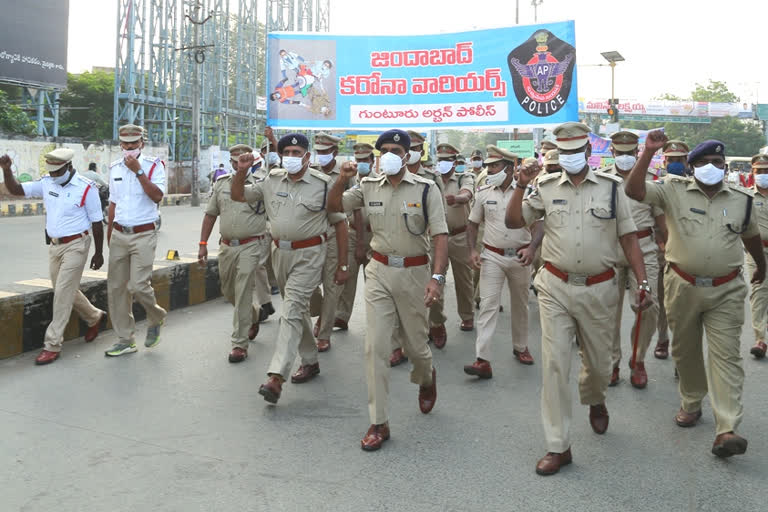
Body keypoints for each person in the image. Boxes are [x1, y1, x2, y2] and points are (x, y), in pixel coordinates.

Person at [505, 121, 650, 476]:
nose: (569, 158)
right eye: (563, 153)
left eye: (575, 152)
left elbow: (630, 239)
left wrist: (643, 282)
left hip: (601, 288)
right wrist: (521, 184)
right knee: (555, 366)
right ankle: (558, 445)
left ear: (588, 152)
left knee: (600, 367)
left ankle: (595, 398)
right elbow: (513, 222)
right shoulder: (543, 186)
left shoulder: (613, 189)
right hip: (554, 286)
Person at [625, 133, 766, 459]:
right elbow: (634, 190)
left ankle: (726, 427)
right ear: (691, 168)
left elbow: (752, 238)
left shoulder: (742, 200)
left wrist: (762, 266)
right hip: (682, 285)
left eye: (717, 163)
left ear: (725, 166)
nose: (710, 168)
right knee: (685, 350)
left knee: (726, 356)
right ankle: (691, 401)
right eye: (702, 163)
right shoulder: (672, 190)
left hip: (727, 289)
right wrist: (647, 152)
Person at [328, 129, 448, 452]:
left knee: (416, 346)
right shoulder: (367, 187)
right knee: (375, 346)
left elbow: (440, 236)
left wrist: (436, 278)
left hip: (414, 272)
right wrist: (342, 179)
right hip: (378, 270)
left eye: (397, 149)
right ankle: (379, 422)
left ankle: (426, 376)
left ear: (408, 156)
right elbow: (334, 204)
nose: (391, 154)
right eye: (386, 150)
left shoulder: (426, 190)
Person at [230, 133, 348, 404]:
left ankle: (276, 377)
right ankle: (310, 360)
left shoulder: (323, 184)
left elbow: (340, 223)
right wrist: (241, 171)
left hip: (309, 254)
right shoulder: (271, 180)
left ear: (307, 156)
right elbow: (238, 195)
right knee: (299, 310)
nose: (292, 157)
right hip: (279, 253)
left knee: (292, 308)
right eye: (288, 153)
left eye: (297, 152)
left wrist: (342, 264)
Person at [1, 149, 106, 365]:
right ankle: (94, 316)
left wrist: (98, 252)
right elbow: (15, 189)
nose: (54, 175)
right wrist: (7, 170)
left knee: (62, 295)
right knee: (62, 289)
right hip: (56, 246)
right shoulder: (47, 182)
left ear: (68, 167)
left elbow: (96, 222)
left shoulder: (87, 188)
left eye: (57, 171)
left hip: (77, 244)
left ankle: (52, 344)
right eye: (51, 171)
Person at [600, 132, 666, 389]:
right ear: (612, 153)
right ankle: (613, 362)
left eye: (630, 154)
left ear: (637, 154)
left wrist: (667, 247)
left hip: (645, 247)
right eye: (620, 153)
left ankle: (638, 360)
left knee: (649, 307)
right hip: (610, 249)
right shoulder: (601, 180)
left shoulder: (650, 180)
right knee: (608, 310)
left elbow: (661, 220)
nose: (625, 158)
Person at [464, 146, 535, 379]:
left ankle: (521, 347)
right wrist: (473, 250)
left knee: (520, 305)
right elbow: (473, 223)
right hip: (492, 255)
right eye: (488, 166)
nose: (489, 170)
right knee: (487, 305)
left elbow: (539, 224)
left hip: (520, 257)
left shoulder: (529, 192)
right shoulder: (484, 192)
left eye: (494, 166)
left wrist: (533, 248)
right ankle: (482, 359)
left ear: (509, 167)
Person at [198, 144, 272, 363]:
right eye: (235, 161)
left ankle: (239, 344)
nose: (240, 165)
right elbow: (211, 214)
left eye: (245, 161)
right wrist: (202, 243)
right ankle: (255, 314)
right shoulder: (221, 184)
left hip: (252, 244)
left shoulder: (262, 185)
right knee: (229, 290)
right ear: (230, 162)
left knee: (242, 292)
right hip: (227, 246)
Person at [104, 124, 168, 357]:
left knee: (139, 285)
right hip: (120, 233)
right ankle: (125, 339)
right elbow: (113, 203)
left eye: (134, 144)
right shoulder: (114, 168)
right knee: (117, 288)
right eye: (125, 144)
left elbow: (157, 196)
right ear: (120, 144)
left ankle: (156, 316)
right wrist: (110, 233)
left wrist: (139, 171)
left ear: (142, 143)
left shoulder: (154, 166)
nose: (129, 148)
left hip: (144, 233)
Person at [389, 130, 444, 364]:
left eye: (415, 148)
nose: (410, 153)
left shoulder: (431, 178)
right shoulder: (387, 174)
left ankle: (436, 321)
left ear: (420, 151)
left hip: (426, 239)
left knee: (431, 286)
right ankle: (397, 345)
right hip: (397, 241)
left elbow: (438, 213)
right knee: (394, 294)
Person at [430, 142, 475, 338]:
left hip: (459, 238)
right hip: (438, 239)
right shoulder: (432, 180)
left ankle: (467, 315)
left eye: (447, 160)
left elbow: (467, 194)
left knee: (463, 279)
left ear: (455, 163)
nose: (443, 164)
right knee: (437, 278)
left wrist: (457, 199)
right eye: (440, 160)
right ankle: (436, 321)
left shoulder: (464, 178)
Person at [308, 132, 348, 352]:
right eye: (318, 151)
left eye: (325, 152)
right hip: (311, 237)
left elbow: (354, 209)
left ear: (335, 152)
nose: (321, 155)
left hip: (334, 233)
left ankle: (325, 332)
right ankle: (321, 314)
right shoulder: (310, 172)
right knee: (310, 285)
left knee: (331, 285)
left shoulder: (345, 174)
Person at [653, 140, 690, 359]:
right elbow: (654, 220)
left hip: (688, 254)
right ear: (664, 162)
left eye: (679, 160)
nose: (675, 163)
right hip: (662, 251)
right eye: (671, 160)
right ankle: (662, 339)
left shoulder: (696, 186)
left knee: (685, 304)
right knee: (663, 300)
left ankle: (681, 348)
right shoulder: (657, 187)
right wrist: (662, 244)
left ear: (687, 162)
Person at [335, 143, 375, 330]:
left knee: (374, 282)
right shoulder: (349, 181)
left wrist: (362, 243)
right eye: (358, 160)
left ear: (372, 161)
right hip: (351, 233)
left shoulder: (379, 180)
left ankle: (376, 320)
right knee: (347, 276)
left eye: (365, 160)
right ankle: (341, 316)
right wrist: (358, 241)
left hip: (374, 236)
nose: (361, 164)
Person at [747, 153, 768, 359]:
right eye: (759, 171)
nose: (763, 174)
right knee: (758, 292)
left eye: (766, 171)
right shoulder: (746, 197)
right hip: (756, 251)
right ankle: (760, 339)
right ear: (752, 173)